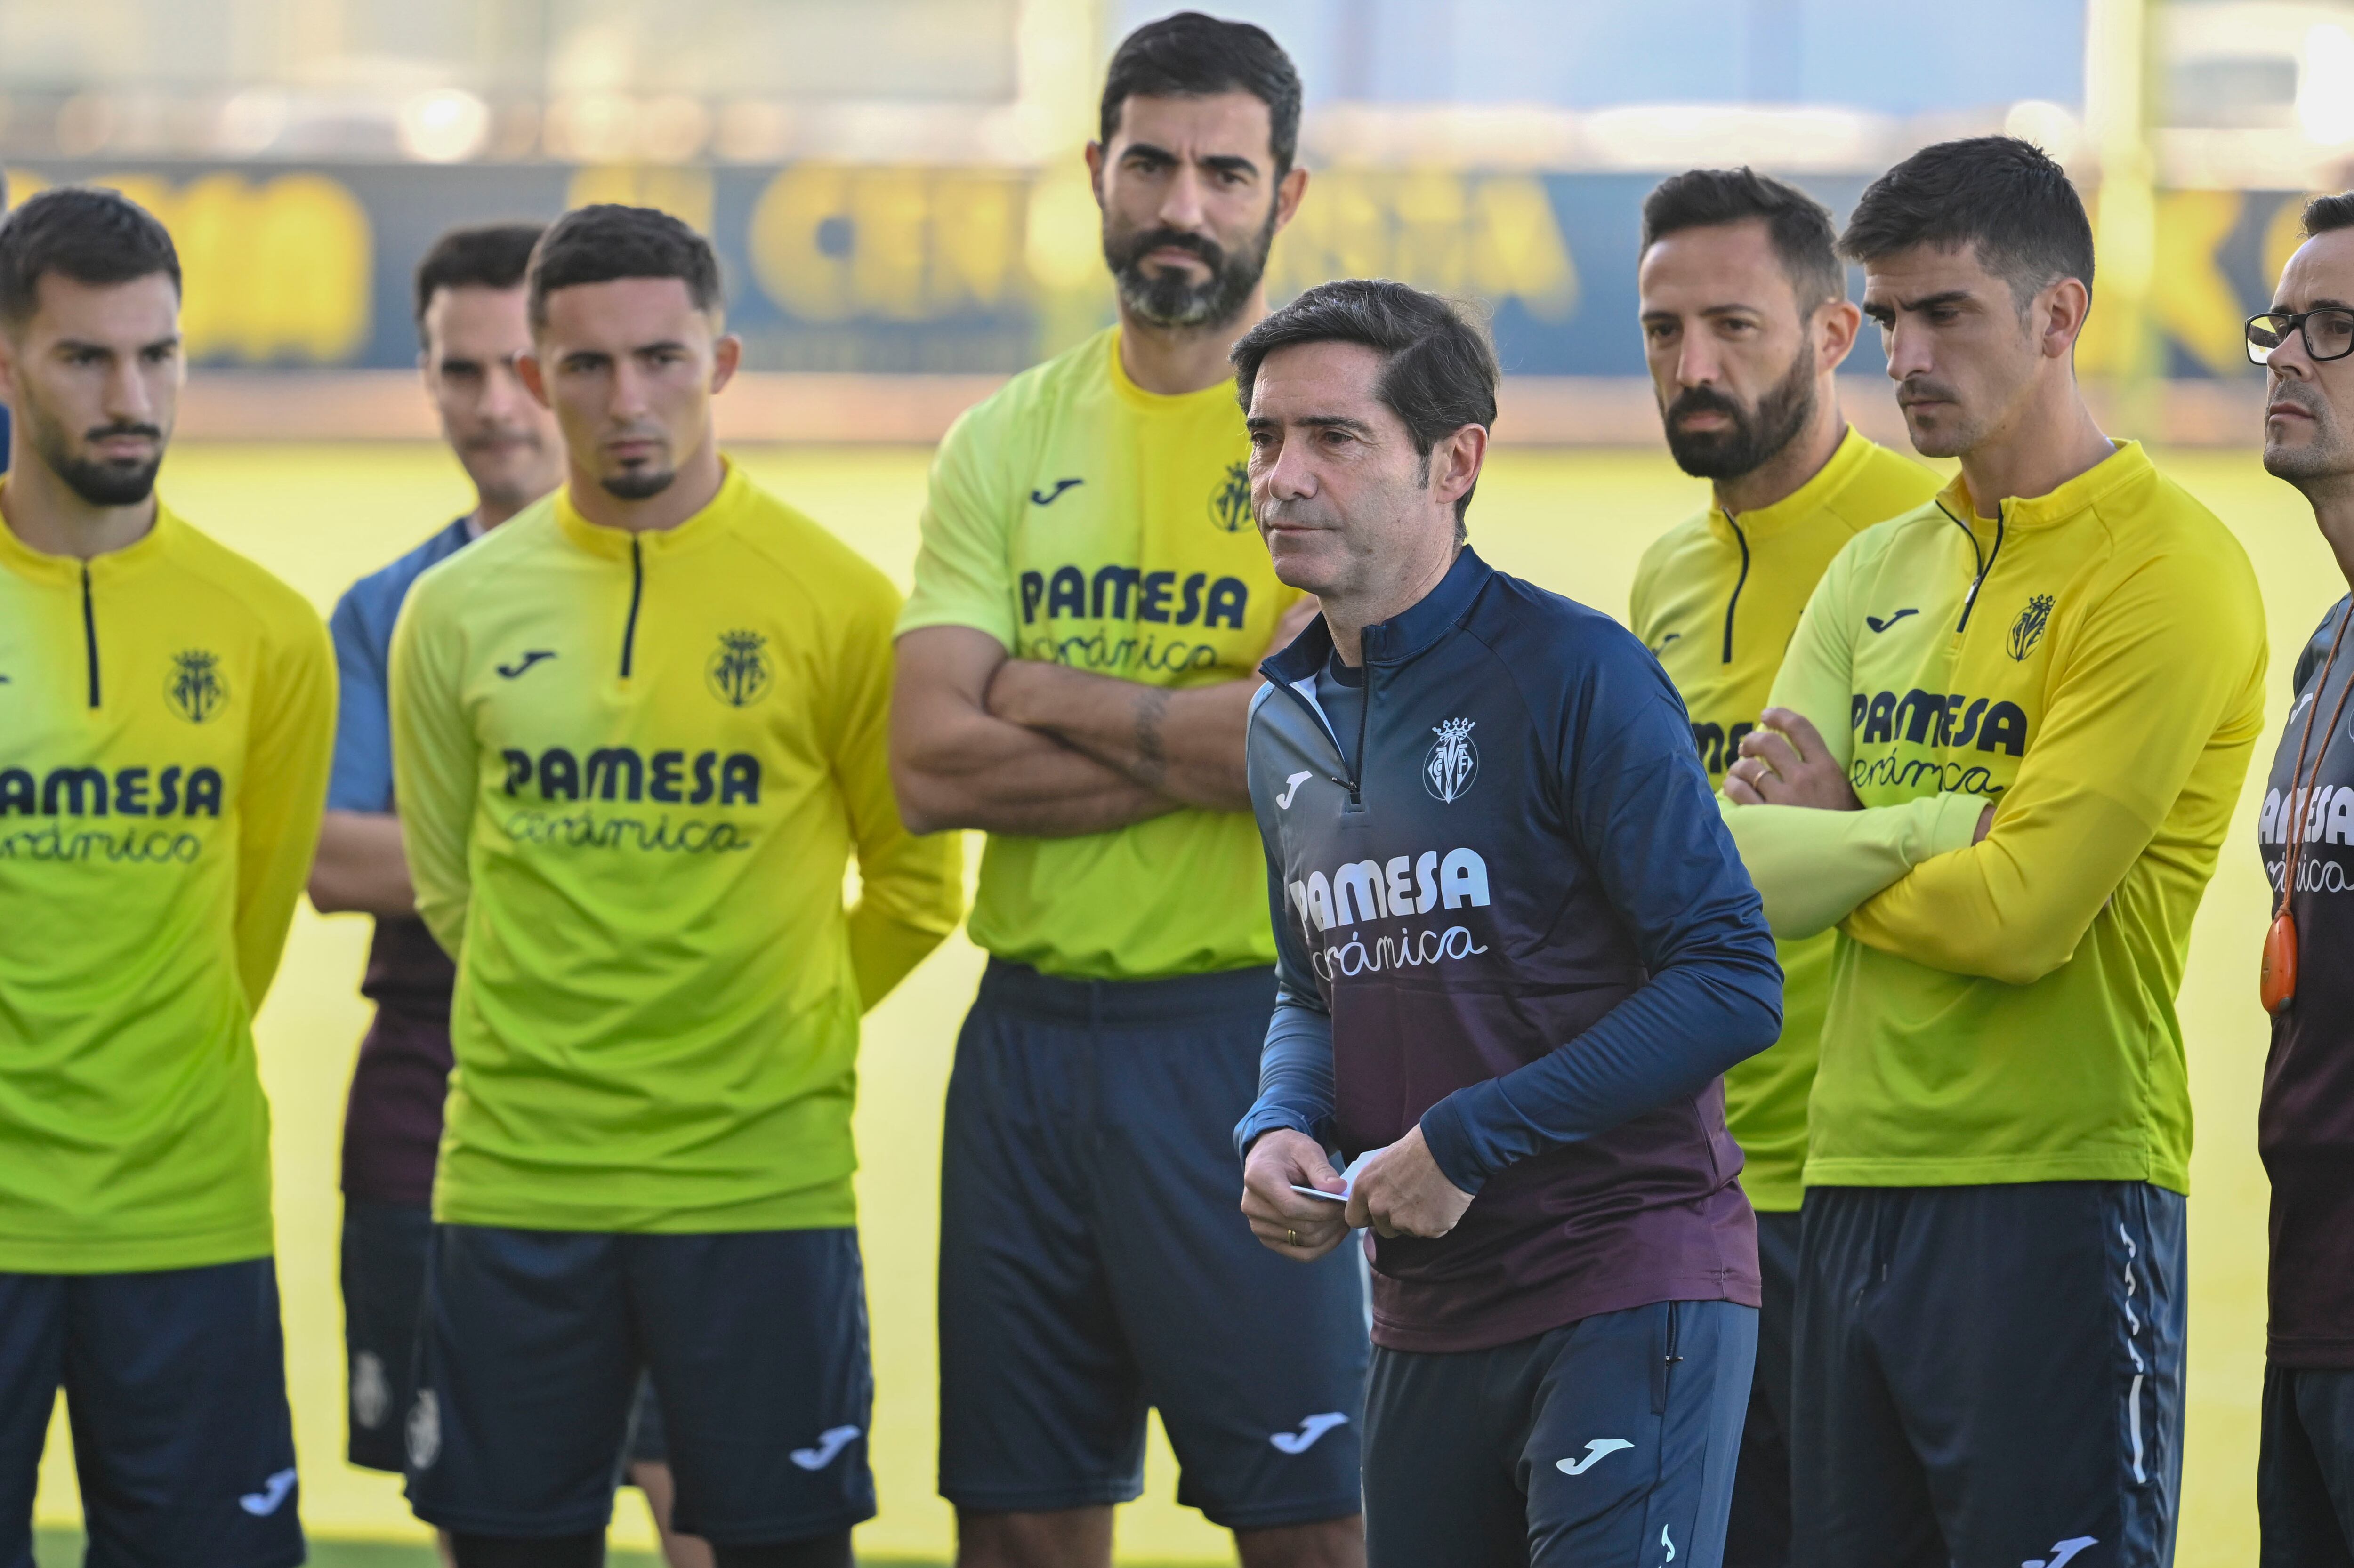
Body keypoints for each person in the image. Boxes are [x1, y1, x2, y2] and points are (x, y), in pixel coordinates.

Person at [1719, 137, 2267, 1567]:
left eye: (1944, 311)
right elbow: (1741, 880)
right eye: (1888, 317)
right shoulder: (1874, 565)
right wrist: (1903, 831)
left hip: (2060, 1192)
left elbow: (2025, 915)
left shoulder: (2169, 568)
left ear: (2059, 315)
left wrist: (1836, 837)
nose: (1904, 351)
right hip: (1847, 1188)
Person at [389, 203, 963, 1568]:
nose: (627, 399)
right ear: (536, 380)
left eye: (662, 358)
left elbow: (918, 886)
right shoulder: (455, 612)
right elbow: (456, 886)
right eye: (585, 367)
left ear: (725, 361)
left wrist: (780, 1019)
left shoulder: (833, 599)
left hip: (760, 1189)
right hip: (518, 1182)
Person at [888, 16, 1367, 1568]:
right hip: (1022, 1041)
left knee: (1312, 1528)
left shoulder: (1344, 450)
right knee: (1020, 1529)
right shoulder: (1002, 440)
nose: (1183, 202)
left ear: (1285, 194)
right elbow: (925, 758)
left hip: (1254, 1039)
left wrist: (1034, 688)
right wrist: (1211, 722)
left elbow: (1307, 766)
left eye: (1225, 170)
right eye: (1150, 162)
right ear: (1097, 173)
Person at [1234, 278, 1785, 1568]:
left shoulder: (1571, 673)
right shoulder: (1279, 716)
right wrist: (1281, 1123)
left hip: (1625, 1281)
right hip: (1422, 1316)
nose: (1282, 478)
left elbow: (1730, 978)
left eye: (1333, 438)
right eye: (1264, 440)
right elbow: (1315, 986)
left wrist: (1471, 1139)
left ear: (1455, 460)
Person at [313, 222, 713, 1568]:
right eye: (455, 371)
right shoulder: (387, 607)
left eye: (512, 367)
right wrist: (604, 850)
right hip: (445, 1105)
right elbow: (329, 852)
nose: (492, 407)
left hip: (691, 1115)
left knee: (707, 1503)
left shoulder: (713, 578)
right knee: (497, 1521)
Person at [0, 186, 334, 1567]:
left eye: (160, 354)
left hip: (185, 1217)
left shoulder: (267, 631)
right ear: (8, 364)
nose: (132, 394)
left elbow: (247, 930)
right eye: (86, 358)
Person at [1627, 167, 1940, 1567]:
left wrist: (1850, 812)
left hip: (1868, 1188)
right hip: (1686, 1195)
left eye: (1734, 328)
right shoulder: (1665, 580)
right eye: (1662, 330)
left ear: (1832, 335)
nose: (1693, 368)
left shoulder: (1929, 545)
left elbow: (1994, 845)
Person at [2246, 190, 2354, 1566]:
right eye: (2285, 323)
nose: (2288, 357)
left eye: (2338, 330)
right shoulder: (2327, 644)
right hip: (2309, 1293)